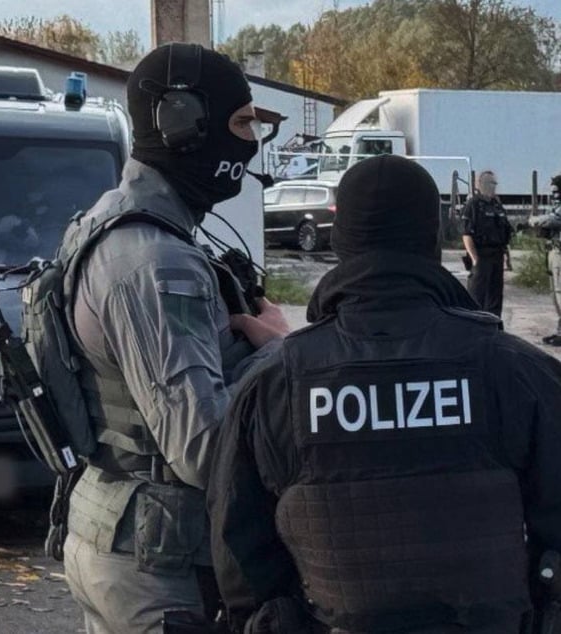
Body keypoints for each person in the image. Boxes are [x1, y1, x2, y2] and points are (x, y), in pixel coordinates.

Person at [207, 155, 561, 633]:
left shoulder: (272, 385)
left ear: (341, 243)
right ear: (430, 238)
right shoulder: (518, 371)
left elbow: (239, 556)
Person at [58, 43, 289, 634]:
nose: (249, 145)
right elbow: (203, 448)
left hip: (119, 530)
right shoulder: (157, 262)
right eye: (240, 124)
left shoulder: (106, 219)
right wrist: (277, 352)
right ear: (184, 123)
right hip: (155, 561)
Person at [462, 170, 513, 316]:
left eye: (494, 183)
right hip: (481, 256)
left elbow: (504, 232)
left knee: (495, 298)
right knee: (477, 297)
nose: (493, 187)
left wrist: (507, 258)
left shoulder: (497, 205)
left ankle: (494, 330)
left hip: (497, 256)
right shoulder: (474, 204)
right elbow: (467, 235)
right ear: (481, 184)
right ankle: (475, 332)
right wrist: (475, 259)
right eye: (490, 183)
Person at [530, 175, 561, 346]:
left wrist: (533, 221)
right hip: (554, 251)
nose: (554, 195)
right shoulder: (556, 207)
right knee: (555, 294)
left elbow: (551, 220)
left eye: (556, 191)